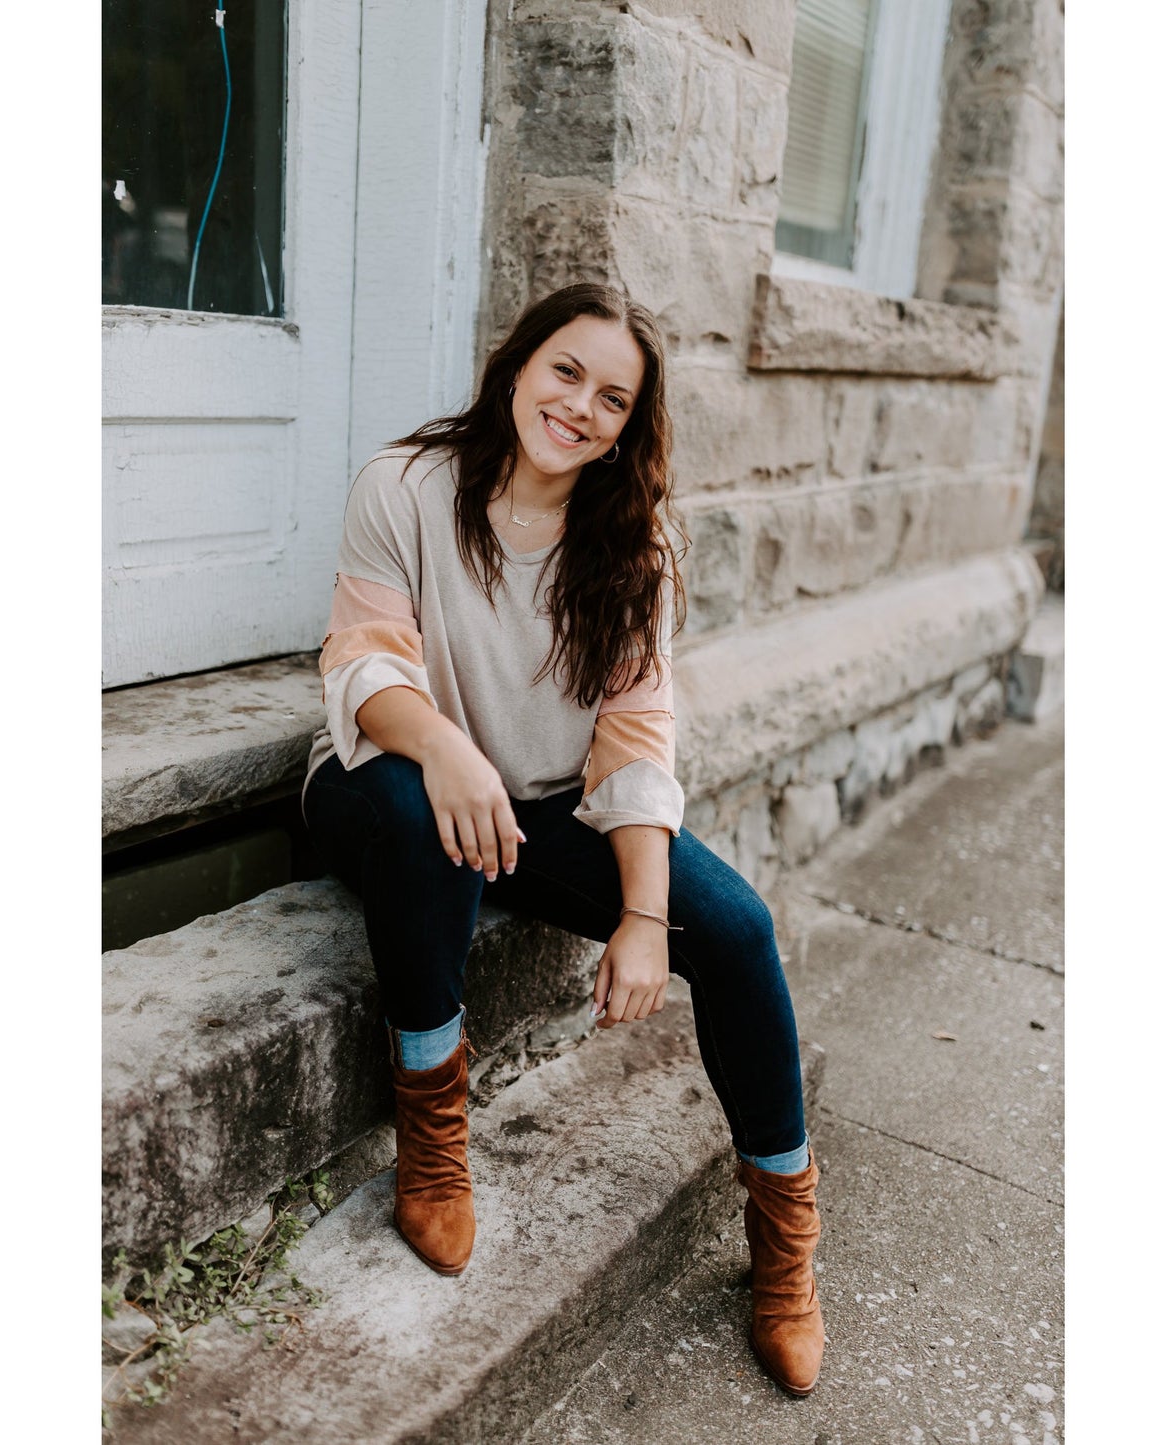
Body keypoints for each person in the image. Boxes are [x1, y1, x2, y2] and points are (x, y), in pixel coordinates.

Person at [300, 283, 826, 1397]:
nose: (581, 406)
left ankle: (783, 1246)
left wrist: (641, 917)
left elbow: (635, 746)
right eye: (566, 372)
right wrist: (441, 745)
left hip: (534, 807)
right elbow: (361, 662)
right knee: (417, 810)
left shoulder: (636, 549)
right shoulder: (404, 484)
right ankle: (433, 1135)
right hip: (383, 777)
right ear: (518, 366)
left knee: (733, 926)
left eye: (612, 397)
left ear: (629, 426)